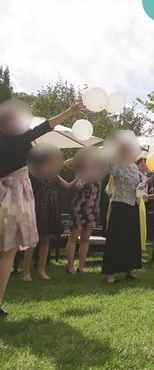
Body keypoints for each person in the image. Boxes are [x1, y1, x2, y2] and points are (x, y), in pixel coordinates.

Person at [0, 100, 83, 318]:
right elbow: (47, 126)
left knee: (7, 250)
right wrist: (69, 111)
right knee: (7, 250)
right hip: (12, 199)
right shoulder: (22, 137)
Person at [21, 147, 65, 281]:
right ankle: (26, 272)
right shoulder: (34, 171)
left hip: (51, 207)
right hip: (37, 207)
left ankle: (41, 270)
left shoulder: (55, 172)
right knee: (32, 241)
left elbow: (65, 167)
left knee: (46, 240)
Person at [101, 146, 142, 284]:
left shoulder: (135, 167)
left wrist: (141, 188)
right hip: (119, 205)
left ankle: (130, 269)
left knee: (131, 239)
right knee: (116, 239)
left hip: (133, 205)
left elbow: (136, 186)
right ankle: (110, 273)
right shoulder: (116, 164)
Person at [63, 152, 103, 275]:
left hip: (92, 209)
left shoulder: (98, 172)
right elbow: (63, 164)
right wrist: (79, 158)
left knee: (85, 238)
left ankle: (81, 267)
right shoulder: (80, 174)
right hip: (78, 209)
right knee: (74, 237)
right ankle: (70, 267)